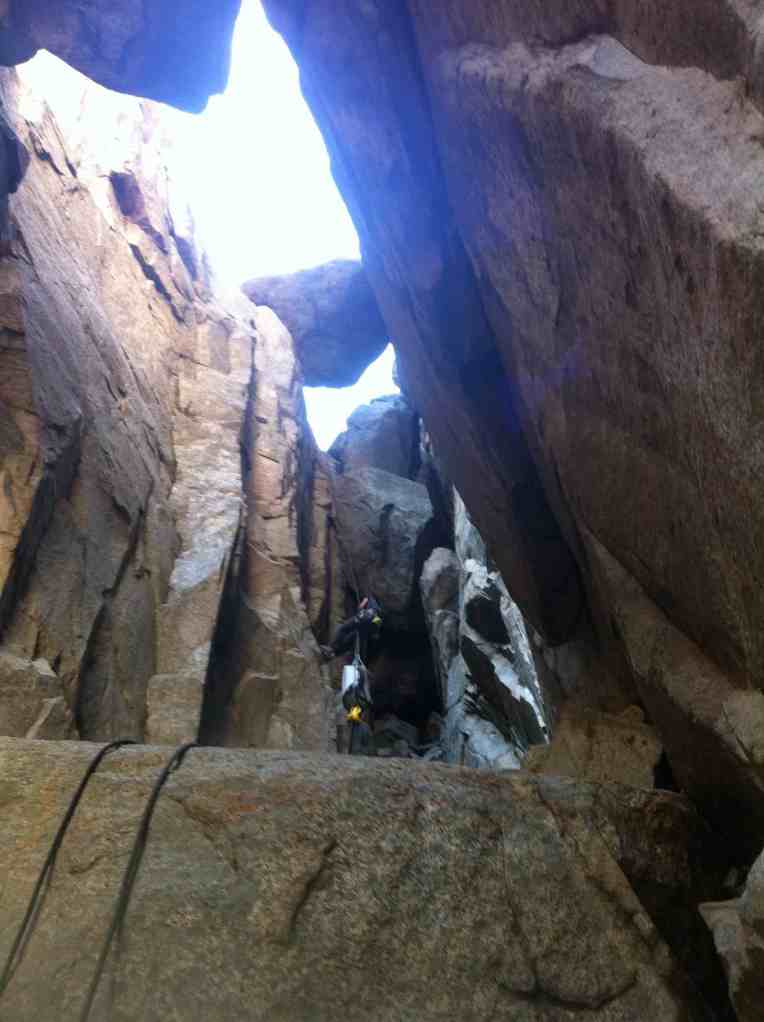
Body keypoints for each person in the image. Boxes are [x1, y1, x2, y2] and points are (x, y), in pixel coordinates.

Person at [321, 595, 382, 661]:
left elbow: (361, 606)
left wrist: (360, 609)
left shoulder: (370, 598)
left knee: (343, 629)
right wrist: (374, 632)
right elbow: (377, 626)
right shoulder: (378, 611)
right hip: (371, 623)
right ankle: (361, 660)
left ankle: (332, 648)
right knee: (359, 641)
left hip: (364, 616)